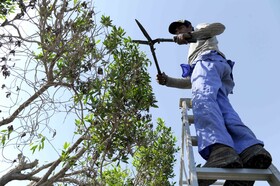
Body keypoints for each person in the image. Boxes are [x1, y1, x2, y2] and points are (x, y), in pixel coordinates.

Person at [157, 20, 272, 185]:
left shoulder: (199, 30)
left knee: (202, 101)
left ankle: (220, 150)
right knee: (224, 112)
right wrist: (168, 81)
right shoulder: (194, 46)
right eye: (176, 31)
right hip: (215, 68)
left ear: (188, 26)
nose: (178, 31)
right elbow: (191, 80)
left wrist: (191, 35)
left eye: (180, 28)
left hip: (207, 63)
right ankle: (250, 150)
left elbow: (219, 28)